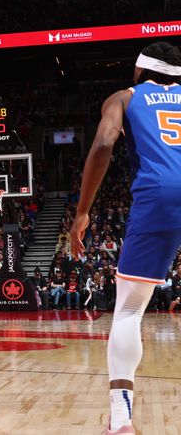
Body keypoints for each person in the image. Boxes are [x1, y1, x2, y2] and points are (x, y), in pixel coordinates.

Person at [70, 42, 181, 435]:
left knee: (130, 310)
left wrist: (82, 213)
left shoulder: (125, 97)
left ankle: (120, 421)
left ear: (139, 71)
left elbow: (103, 144)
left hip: (161, 195)